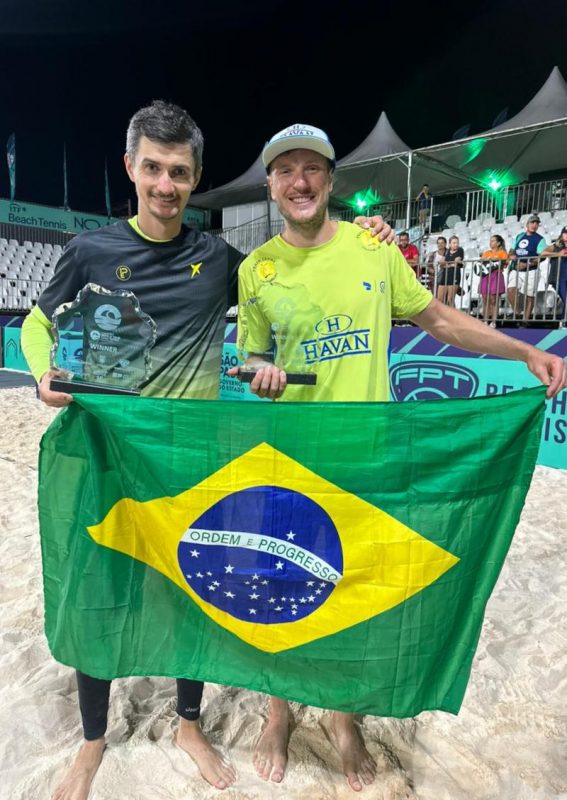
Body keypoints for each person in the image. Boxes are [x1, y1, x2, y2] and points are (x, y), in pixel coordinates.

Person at [21, 105, 394, 799]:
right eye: (154, 169)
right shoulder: (90, 251)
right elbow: (38, 325)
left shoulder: (220, 259)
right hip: (104, 453)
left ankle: (189, 723)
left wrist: (364, 231)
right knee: (100, 594)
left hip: (186, 466)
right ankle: (93, 741)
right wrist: (44, 371)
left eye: (180, 173)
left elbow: (284, 282)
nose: (166, 184)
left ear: (194, 181)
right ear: (131, 167)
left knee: (190, 593)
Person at [228, 122, 566, 793]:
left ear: (329, 180)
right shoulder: (256, 267)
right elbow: (251, 353)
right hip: (290, 459)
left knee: (356, 591)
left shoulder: (372, 249)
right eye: (284, 171)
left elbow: (439, 320)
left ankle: (343, 717)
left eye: (311, 170)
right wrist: (258, 370)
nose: (298, 182)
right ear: (269, 184)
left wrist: (523, 349)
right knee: (281, 589)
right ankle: (276, 711)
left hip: (368, 455)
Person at [507, 214, 547, 323]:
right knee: (510, 290)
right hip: (516, 268)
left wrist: (527, 264)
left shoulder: (540, 239)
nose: (534, 225)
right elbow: (511, 250)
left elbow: (542, 257)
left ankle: (525, 320)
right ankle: (517, 313)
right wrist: (512, 255)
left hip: (531, 270)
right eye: (532, 223)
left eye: (536, 223)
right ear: (527, 224)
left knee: (530, 295)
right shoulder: (519, 236)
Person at [479, 234, 508, 326]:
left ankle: (494, 321)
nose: (490, 243)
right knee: (485, 298)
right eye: (490, 241)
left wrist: (495, 259)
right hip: (486, 276)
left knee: (494, 299)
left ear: (498, 243)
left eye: (493, 241)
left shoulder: (502, 252)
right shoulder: (486, 253)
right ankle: (485, 320)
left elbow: (504, 262)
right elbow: (482, 261)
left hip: (496, 275)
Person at [541, 225, 567, 321]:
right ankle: (564, 322)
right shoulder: (557, 246)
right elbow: (543, 253)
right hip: (558, 277)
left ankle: (563, 322)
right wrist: (557, 254)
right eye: (565, 233)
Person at [437, 234, 463, 307]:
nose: (456, 244)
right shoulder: (447, 251)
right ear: (450, 244)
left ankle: (452, 317)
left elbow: (456, 261)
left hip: (454, 275)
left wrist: (447, 264)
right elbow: (441, 264)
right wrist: (450, 264)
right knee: (439, 298)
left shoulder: (460, 250)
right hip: (445, 276)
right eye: (454, 243)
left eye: (457, 243)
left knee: (450, 299)